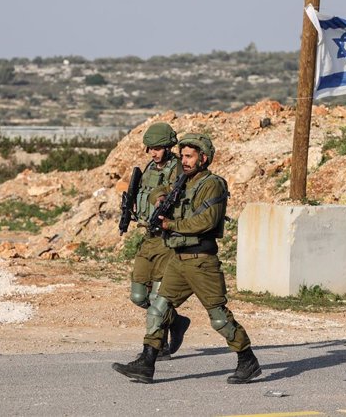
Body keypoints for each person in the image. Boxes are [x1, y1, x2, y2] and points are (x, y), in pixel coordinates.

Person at [112, 133, 261, 384]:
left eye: (190, 156)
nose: (185, 161)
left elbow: (207, 221)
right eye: (183, 156)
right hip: (179, 260)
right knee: (158, 308)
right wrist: (157, 197)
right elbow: (159, 189)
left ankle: (247, 359)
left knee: (219, 317)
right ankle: (147, 363)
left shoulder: (212, 184)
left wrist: (172, 224)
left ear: (203, 158)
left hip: (201, 261)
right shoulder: (183, 181)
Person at [128, 122, 191, 360]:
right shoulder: (149, 169)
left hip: (167, 240)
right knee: (138, 296)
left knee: (156, 298)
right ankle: (176, 321)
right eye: (150, 148)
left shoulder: (179, 170)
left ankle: (157, 348)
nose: (153, 153)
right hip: (148, 237)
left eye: (157, 148)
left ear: (168, 146)